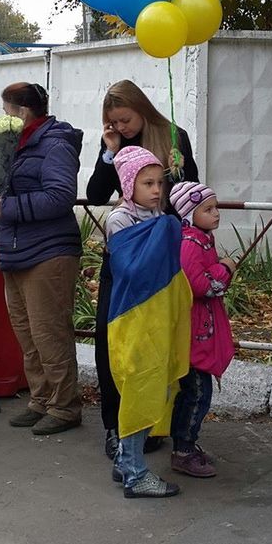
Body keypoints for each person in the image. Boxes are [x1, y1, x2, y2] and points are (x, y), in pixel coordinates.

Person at [0, 82, 84, 436]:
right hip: (17, 249)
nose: (3, 116)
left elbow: (60, 196)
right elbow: (8, 186)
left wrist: (7, 208)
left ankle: (65, 406)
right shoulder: (16, 143)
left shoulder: (54, 143)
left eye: (7, 109)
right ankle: (41, 399)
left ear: (23, 111)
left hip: (49, 252)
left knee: (49, 332)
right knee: (27, 334)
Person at [86, 79, 199, 459]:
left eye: (126, 119)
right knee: (112, 340)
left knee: (155, 344)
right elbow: (97, 194)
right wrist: (110, 152)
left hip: (162, 260)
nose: (121, 127)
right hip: (124, 255)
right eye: (113, 122)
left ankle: (151, 425)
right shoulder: (116, 144)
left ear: (142, 108)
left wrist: (176, 172)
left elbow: (189, 195)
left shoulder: (173, 136)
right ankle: (114, 427)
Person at [105, 146, 191, 498]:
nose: (157, 191)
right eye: (147, 183)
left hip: (157, 318)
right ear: (129, 185)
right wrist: (165, 230)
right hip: (133, 318)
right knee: (139, 388)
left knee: (153, 385)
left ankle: (128, 459)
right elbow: (131, 270)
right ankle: (136, 474)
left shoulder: (157, 215)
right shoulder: (120, 220)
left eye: (160, 183)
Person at [168, 181, 236, 478]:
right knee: (196, 393)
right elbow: (201, 285)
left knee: (197, 391)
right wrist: (226, 269)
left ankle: (187, 443)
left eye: (216, 207)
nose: (217, 214)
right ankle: (183, 449)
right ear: (189, 213)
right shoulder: (190, 244)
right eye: (208, 209)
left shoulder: (202, 239)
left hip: (201, 329)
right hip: (193, 333)